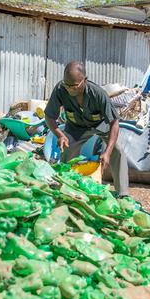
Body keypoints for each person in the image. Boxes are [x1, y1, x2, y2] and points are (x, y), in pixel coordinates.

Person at [44, 61, 129, 198]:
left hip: (101, 125)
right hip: (76, 127)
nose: (70, 89)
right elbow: (49, 116)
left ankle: (123, 193)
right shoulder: (61, 89)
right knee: (67, 150)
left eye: (75, 86)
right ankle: (66, 187)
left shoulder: (98, 94)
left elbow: (114, 122)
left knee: (117, 152)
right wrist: (59, 134)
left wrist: (107, 152)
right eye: (67, 85)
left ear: (85, 80)